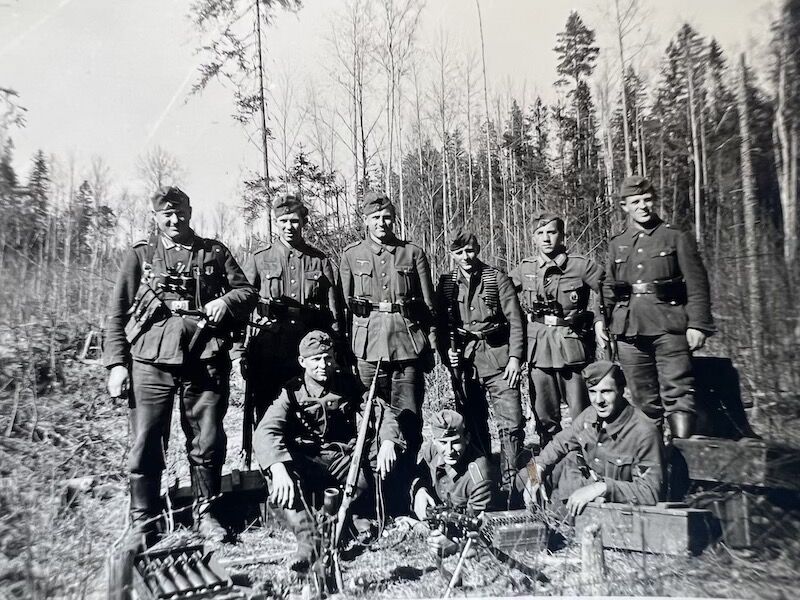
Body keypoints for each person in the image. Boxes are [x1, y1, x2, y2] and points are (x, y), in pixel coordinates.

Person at [103, 186, 257, 547]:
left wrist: (225, 301)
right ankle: (144, 520)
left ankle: (207, 514)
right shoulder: (141, 256)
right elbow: (116, 311)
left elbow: (247, 293)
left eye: (181, 213)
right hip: (150, 361)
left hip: (204, 358)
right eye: (166, 215)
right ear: (156, 217)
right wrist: (116, 364)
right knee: (146, 440)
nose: (175, 220)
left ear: (191, 211)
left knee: (207, 439)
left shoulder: (214, 252)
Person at [253, 330, 404, 572]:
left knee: (375, 465)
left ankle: (349, 516)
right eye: (315, 359)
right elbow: (266, 431)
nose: (323, 365)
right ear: (302, 362)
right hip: (308, 460)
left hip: (342, 459)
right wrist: (278, 467)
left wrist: (388, 442)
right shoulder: (291, 391)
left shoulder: (348, 383)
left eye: (327, 358)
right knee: (279, 479)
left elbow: (381, 411)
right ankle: (310, 541)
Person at [594, 176, 715, 438]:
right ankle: (655, 465)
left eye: (647, 200)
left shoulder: (675, 237)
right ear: (624, 206)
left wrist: (697, 324)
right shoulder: (618, 243)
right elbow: (609, 286)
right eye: (635, 201)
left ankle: (686, 465)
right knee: (642, 399)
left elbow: (697, 283)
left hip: (669, 327)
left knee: (678, 393)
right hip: (629, 331)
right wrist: (600, 320)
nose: (643, 206)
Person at [339, 191, 438, 509]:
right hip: (368, 349)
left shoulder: (413, 253)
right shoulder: (352, 255)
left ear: (393, 219)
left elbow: (429, 306)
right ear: (365, 221)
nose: (381, 223)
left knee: (409, 419)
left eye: (386, 217)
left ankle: (409, 490)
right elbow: (345, 308)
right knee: (371, 419)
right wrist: (346, 352)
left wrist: (430, 345)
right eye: (375, 218)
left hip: (407, 346)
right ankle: (376, 494)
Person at [238, 195, 345, 423]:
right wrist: (240, 351)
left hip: (308, 351)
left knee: (305, 410)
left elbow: (335, 312)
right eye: (283, 221)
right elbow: (242, 307)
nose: (289, 227)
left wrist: (337, 348)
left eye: (294, 221)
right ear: (275, 222)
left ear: (304, 222)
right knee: (267, 409)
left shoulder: (319, 261)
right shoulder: (259, 259)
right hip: (268, 349)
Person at [437, 230, 525, 495]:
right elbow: (440, 326)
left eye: (470, 250)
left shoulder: (496, 278)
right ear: (452, 254)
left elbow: (517, 321)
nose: (466, 257)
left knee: (511, 423)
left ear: (478, 249)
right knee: (473, 425)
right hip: (465, 363)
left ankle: (514, 484)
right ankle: (485, 481)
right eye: (460, 252)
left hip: (499, 358)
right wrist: (446, 355)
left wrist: (515, 358)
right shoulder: (446, 284)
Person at [523, 361, 664, 516]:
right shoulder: (590, 416)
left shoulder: (644, 432)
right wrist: (535, 471)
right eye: (592, 391)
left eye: (606, 391)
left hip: (615, 511)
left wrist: (601, 488)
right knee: (524, 478)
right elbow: (557, 444)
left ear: (622, 390)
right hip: (578, 493)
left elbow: (650, 492)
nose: (598, 400)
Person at [510, 214, 604, 448]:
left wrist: (599, 319)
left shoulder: (580, 265)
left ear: (562, 235)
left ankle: (585, 462)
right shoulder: (526, 268)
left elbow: (608, 288)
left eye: (551, 232)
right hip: (538, 349)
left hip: (571, 348)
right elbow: (502, 292)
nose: (546, 238)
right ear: (533, 238)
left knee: (581, 415)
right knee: (544, 416)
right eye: (540, 233)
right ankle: (550, 466)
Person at [411, 409, 492, 557]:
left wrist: (454, 546)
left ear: (467, 438)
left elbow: (482, 533)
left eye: (455, 442)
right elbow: (418, 474)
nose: (449, 450)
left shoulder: (478, 475)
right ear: (434, 441)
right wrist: (420, 491)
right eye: (443, 443)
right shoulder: (432, 450)